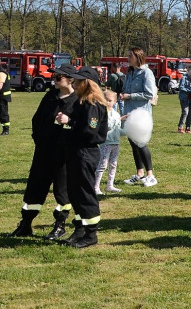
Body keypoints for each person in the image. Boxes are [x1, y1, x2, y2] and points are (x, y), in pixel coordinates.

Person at [7, 65, 76, 239]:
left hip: (63, 155)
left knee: (62, 191)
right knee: (34, 188)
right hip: (43, 151)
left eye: (58, 77)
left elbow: (80, 128)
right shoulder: (50, 96)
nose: (54, 79)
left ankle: (60, 225)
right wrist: (39, 139)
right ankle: (26, 224)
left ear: (69, 79)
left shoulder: (77, 100)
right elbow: (36, 119)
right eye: (54, 76)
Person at [55, 67, 108, 248]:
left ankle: (91, 234)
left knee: (85, 192)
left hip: (85, 152)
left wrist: (69, 122)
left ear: (87, 84)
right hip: (75, 151)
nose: (74, 83)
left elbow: (89, 131)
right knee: (75, 192)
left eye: (78, 81)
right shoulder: (81, 102)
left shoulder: (93, 104)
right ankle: (80, 229)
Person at [120, 47, 158, 187]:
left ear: (138, 57)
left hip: (141, 113)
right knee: (133, 143)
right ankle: (140, 173)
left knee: (141, 143)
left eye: (130, 56)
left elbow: (149, 94)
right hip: (129, 112)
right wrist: (123, 94)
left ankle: (150, 175)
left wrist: (129, 96)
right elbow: (126, 89)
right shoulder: (130, 72)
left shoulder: (146, 73)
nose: (128, 58)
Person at [94, 90, 123, 195]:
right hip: (106, 143)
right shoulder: (102, 113)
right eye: (105, 99)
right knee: (102, 165)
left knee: (113, 164)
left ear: (115, 101)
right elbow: (108, 126)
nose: (107, 102)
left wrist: (129, 130)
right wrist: (119, 119)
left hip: (116, 143)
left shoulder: (116, 114)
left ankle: (110, 185)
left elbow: (118, 129)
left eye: (110, 100)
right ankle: (95, 187)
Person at [177, 67, 191, 133]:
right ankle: (180, 127)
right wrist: (190, 90)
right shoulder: (184, 78)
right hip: (184, 97)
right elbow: (181, 87)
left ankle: (188, 128)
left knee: (190, 113)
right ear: (188, 70)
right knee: (185, 112)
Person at [0, 62, 11, 135]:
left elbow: (0, 86)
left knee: (3, 113)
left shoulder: (1, 73)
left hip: (2, 97)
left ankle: (6, 130)